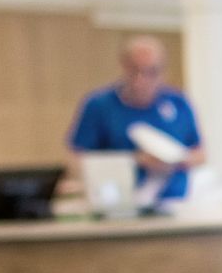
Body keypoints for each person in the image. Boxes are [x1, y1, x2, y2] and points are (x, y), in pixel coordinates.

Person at [68, 35, 205, 206]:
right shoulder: (99, 106)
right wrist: (134, 161)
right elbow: (76, 158)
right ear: (123, 66)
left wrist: (172, 162)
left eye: (151, 72)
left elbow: (199, 153)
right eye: (135, 70)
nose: (141, 80)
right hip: (117, 205)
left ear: (164, 71)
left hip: (173, 202)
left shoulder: (179, 104)